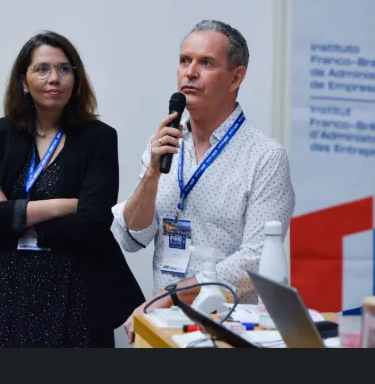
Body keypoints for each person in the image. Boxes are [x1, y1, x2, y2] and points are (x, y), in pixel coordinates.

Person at [112, 20, 295, 343]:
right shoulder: (164, 144)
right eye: (185, 60)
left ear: (236, 77)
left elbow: (255, 260)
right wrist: (151, 174)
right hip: (166, 328)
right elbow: (132, 237)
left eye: (206, 63)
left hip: (231, 331)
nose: (190, 73)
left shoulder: (265, 157)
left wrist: (170, 295)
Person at [0, 30, 145, 348]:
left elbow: (93, 222)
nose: (54, 78)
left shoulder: (99, 138)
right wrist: (64, 205)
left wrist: (13, 210)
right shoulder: (1, 133)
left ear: (76, 79)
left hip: (75, 288)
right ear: (23, 82)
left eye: (64, 69)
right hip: (6, 289)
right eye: (42, 69)